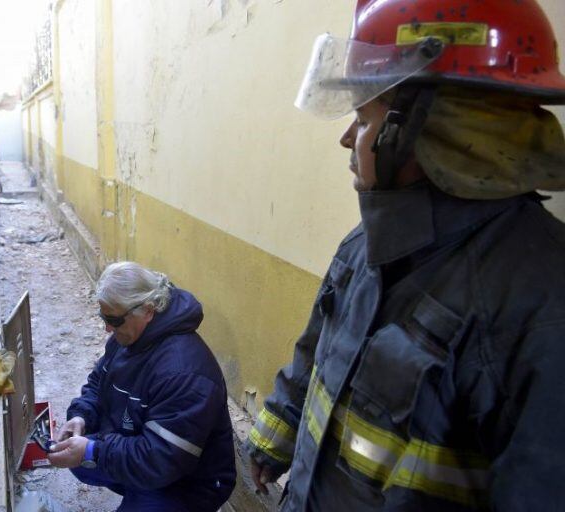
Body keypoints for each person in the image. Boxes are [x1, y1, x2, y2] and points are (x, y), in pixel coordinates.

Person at [246, 0, 565, 510]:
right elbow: (319, 350)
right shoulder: (367, 241)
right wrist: (276, 439)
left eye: (363, 117)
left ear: (427, 131)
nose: (347, 138)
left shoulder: (540, 303)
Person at [47, 261, 235, 511]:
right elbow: (97, 383)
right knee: (81, 461)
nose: (107, 328)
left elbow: (160, 459)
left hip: (187, 481)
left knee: (88, 456)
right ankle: (138, 495)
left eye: (113, 319)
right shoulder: (127, 337)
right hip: (150, 456)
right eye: (103, 317)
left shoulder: (184, 372)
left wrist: (95, 451)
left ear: (147, 310)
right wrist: (81, 416)